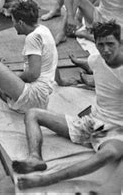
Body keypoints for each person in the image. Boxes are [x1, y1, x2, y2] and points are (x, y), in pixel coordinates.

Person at [12, 21, 123, 190]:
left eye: (110, 44)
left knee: (110, 153)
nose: (105, 50)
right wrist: (78, 66)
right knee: (33, 114)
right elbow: (93, 65)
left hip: (117, 130)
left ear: (120, 43)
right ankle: (35, 158)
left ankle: (48, 179)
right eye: (101, 44)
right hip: (93, 122)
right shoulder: (95, 60)